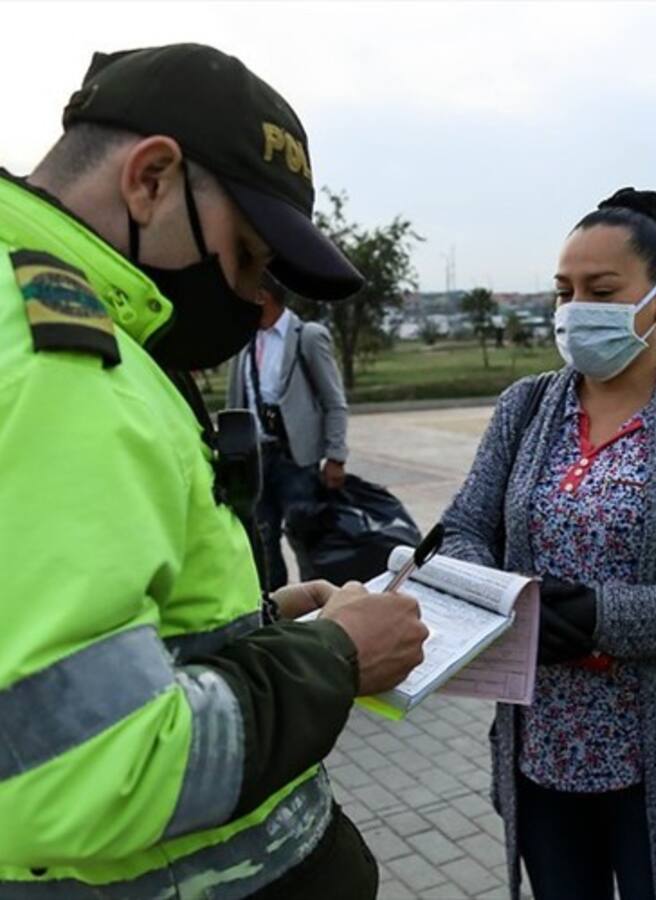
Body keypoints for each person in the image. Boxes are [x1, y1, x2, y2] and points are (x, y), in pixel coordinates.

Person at [0, 43, 428, 898]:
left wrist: (258, 624)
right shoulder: (61, 366)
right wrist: (337, 656)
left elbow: (71, 648)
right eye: (243, 256)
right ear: (151, 178)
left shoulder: (52, 323)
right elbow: (82, 768)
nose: (254, 297)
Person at [441, 187, 656, 900]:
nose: (574, 310)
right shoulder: (527, 407)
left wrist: (606, 617)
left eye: (600, 290)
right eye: (563, 291)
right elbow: (464, 527)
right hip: (544, 744)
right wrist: (496, 595)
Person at [227, 272, 349, 590]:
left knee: (306, 537)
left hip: (296, 458)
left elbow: (334, 401)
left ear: (261, 296)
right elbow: (235, 399)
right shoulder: (244, 339)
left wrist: (336, 455)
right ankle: (276, 608)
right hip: (255, 456)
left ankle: (318, 602)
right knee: (263, 539)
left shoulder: (307, 336)